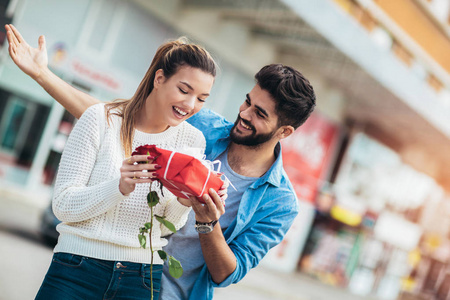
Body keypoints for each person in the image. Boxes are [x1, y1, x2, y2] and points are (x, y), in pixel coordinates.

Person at [6, 24, 316, 300]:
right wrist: (43, 75)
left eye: (260, 114)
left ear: (285, 131)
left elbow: (227, 273)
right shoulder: (202, 127)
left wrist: (208, 223)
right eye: (248, 102)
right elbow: (115, 120)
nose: (245, 114)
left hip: (164, 290)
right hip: (115, 266)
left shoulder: (279, 202)